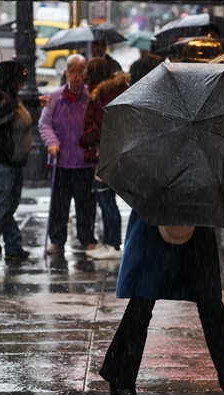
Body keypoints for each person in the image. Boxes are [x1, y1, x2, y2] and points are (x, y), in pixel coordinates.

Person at [98, 55, 224, 395]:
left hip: (196, 217)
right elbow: (135, 166)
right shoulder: (163, 114)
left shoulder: (215, 123)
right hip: (157, 220)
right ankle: (120, 378)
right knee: (143, 302)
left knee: (208, 298)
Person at [38, 54, 98, 254]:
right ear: (66, 73)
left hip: (83, 162)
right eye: (72, 71)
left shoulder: (91, 97)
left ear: (84, 75)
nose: (76, 76)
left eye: (79, 72)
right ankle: (56, 240)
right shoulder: (55, 97)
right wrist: (52, 143)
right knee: (59, 205)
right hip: (60, 162)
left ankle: (86, 237)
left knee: (86, 205)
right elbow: (44, 124)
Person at [0, 61, 32, 263]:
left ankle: (12, 245)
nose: (22, 85)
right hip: (1, 164)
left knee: (7, 205)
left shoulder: (10, 97)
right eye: (20, 80)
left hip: (12, 163)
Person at [79, 58, 129, 260]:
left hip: (104, 154)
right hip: (115, 151)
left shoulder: (102, 95)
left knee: (106, 200)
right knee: (107, 200)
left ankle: (112, 243)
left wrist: (85, 138)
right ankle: (111, 242)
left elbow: (100, 125)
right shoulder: (119, 90)